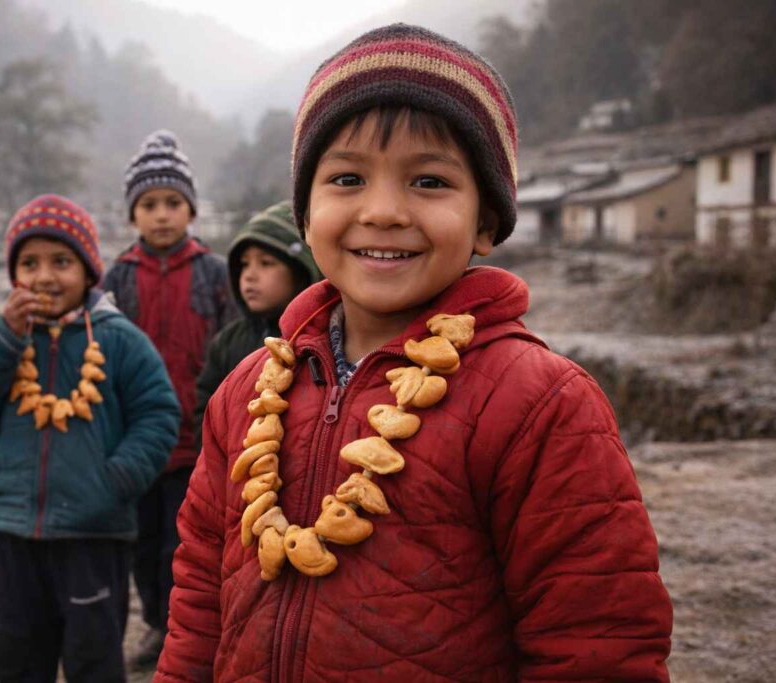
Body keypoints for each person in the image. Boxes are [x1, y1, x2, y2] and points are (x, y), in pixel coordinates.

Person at [157, 24, 673, 682]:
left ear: (486, 220)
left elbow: (597, 644)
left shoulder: (541, 405)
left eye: (428, 182)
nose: (383, 210)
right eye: (346, 178)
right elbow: (202, 601)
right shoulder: (247, 392)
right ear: (305, 214)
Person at [0, 193, 180, 682]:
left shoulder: (119, 340)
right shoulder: (3, 338)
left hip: (93, 534)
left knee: (94, 660)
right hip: (14, 533)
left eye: (61, 262)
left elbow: (158, 416)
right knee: (18, 656)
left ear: (89, 271)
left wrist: (113, 481)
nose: (44, 276)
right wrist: (3, 338)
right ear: (14, 276)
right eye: (29, 263)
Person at [102, 130, 236, 668]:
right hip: (135, 441)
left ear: (191, 210)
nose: (162, 215)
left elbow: (231, 354)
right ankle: (158, 625)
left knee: (184, 547)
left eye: (172, 204)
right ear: (134, 214)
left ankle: (191, 631)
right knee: (142, 542)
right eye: (150, 205)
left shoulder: (216, 273)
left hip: (195, 440)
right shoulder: (117, 277)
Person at [193, 199, 320, 448]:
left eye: (266, 263)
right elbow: (205, 413)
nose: (250, 275)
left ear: (300, 271)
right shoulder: (228, 341)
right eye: (244, 264)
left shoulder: (318, 343)